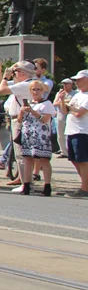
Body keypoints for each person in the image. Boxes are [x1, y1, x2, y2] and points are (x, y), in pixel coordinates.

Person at [0, 59, 37, 188]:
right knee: (20, 152)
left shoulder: (25, 85)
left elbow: (2, 90)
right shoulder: (25, 83)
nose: (14, 74)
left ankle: (26, 183)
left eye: (16, 71)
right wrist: (0, 71)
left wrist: (5, 76)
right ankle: (22, 178)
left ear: (24, 73)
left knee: (21, 153)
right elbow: (1, 85)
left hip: (21, 119)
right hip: (19, 119)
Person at [15, 79, 55, 196]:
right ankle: (26, 185)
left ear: (43, 91)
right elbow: (19, 120)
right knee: (28, 160)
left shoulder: (46, 104)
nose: (36, 92)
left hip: (41, 137)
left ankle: (47, 186)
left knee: (44, 160)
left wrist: (32, 111)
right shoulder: (28, 103)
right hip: (28, 135)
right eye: (34, 89)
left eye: (39, 89)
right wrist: (22, 111)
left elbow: (44, 119)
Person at [58, 69, 88, 198]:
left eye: (79, 79)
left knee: (82, 160)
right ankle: (85, 184)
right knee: (74, 160)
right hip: (71, 130)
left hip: (82, 131)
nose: (77, 82)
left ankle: (85, 188)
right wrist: (62, 100)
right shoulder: (77, 95)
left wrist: (68, 106)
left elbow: (79, 112)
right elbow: (65, 111)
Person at [55, 78, 74, 158]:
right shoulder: (60, 93)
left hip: (71, 115)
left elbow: (72, 103)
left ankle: (70, 151)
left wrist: (64, 101)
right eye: (64, 84)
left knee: (70, 134)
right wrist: (63, 101)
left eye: (67, 84)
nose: (65, 85)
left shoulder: (75, 93)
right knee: (60, 134)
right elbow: (55, 103)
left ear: (71, 84)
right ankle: (63, 151)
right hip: (61, 115)